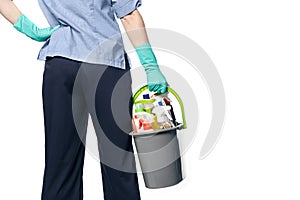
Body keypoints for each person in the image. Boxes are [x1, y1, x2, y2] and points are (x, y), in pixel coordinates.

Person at [4, 0, 168, 199]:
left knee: (60, 161)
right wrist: (150, 65)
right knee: (117, 161)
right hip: (105, 66)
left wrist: (29, 29)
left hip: (60, 64)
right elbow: (129, 16)